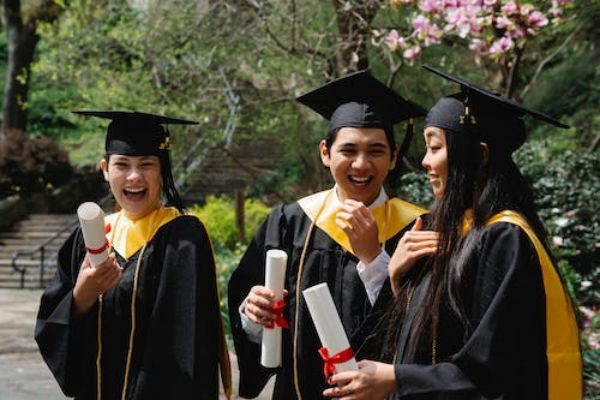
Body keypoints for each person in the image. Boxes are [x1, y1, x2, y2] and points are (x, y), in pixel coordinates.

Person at [322, 66, 582, 400]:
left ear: (480, 155)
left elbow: (497, 370)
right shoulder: (456, 232)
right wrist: (397, 280)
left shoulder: (505, 239)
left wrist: (398, 378)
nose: (425, 161)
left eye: (435, 147)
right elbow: (435, 338)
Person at [227, 71, 427, 400]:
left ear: (393, 157)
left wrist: (374, 260)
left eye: (375, 151)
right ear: (325, 152)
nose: (361, 165)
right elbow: (256, 328)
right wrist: (253, 315)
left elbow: (425, 330)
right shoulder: (290, 222)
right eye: (348, 150)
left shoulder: (419, 227)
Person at [35, 111, 232, 400]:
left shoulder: (183, 237)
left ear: (162, 169)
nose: (134, 176)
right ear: (105, 169)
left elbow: (187, 341)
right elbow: (52, 331)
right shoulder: (88, 237)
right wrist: (81, 297)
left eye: (146, 164)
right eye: (122, 164)